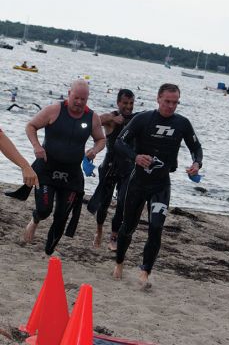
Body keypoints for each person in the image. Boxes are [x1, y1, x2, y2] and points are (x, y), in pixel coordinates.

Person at [113, 83, 203, 288]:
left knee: (156, 227)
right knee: (128, 227)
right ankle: (119, 262)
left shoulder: (182, 123)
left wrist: (196, 164)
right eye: (167, 101)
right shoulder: (143, 119)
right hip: (138, 183)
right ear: (158, 99)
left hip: (161, 185)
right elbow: (120, 142)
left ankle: (145, 271)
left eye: (175, 102)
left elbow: (196, 147)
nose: (171, 106)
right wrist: (135, 156)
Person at [24, 79, 106, 255]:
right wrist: (37, 146)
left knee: (62, 216)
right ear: (69, 94)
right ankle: (35, 220)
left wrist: (94, 150)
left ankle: (49, 251)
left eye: (83, 99)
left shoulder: (92, 117)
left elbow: (101, 139)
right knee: (45, 210)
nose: (79, 102)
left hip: (71, 174)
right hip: (47, 169)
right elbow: (31, 126)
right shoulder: (54, 110)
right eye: (76, 98)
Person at [87, 89, 136, 251]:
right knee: (104, 205)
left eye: (131, 103)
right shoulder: (111, 119)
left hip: (127, 168)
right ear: (118, 103)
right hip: (109, 167)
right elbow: (93, 122)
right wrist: (112, 118)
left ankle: (114, 236)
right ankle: (99, 230)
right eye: (125, 103)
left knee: (122, 203)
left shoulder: (136, 120)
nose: (128, 107)